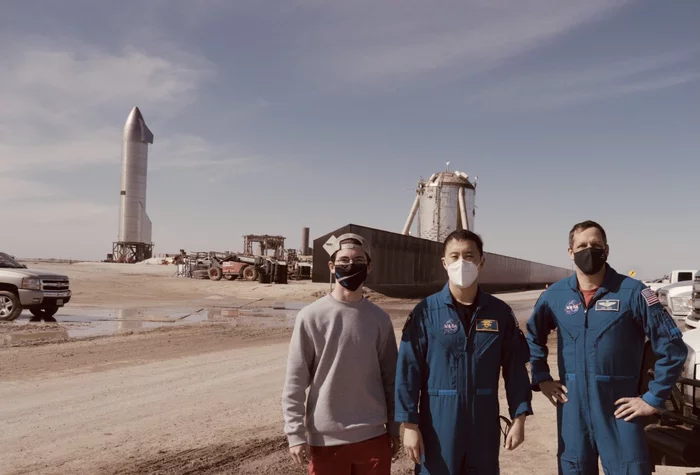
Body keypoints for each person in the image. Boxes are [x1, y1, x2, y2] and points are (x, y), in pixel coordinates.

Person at [526, 220, 688, 475]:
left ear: (607, 250)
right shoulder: (555, 296)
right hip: (573, 411)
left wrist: (653, 398)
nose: (588, 250)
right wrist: (542, 377)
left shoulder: (633, 292)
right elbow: (533, 336)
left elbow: (673, 346)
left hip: (620, 410)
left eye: (596, 245)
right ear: (570, 252)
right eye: (581, 246)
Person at [395, 229, 533, 474]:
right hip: (438, 425)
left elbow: (515, 369)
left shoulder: (500, 313)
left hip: (484, 423)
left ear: (481, 261)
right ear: (444, 262)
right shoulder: (426, 312)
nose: (462, 263)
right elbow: (408, 369)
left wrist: (519, 417)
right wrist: (410, 425)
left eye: (469, 256)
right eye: (455, 256)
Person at [281, 233, 400, 475]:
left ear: (369, 266)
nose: (350, 265)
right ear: (331, 265)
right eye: (344, 259)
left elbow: (391, 380)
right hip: (326, 442)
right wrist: (295, 434)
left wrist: (395, 428)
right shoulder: (311, 316)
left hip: (373, 438)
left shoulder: (380, 319)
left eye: (358, 260)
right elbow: (295, 381)